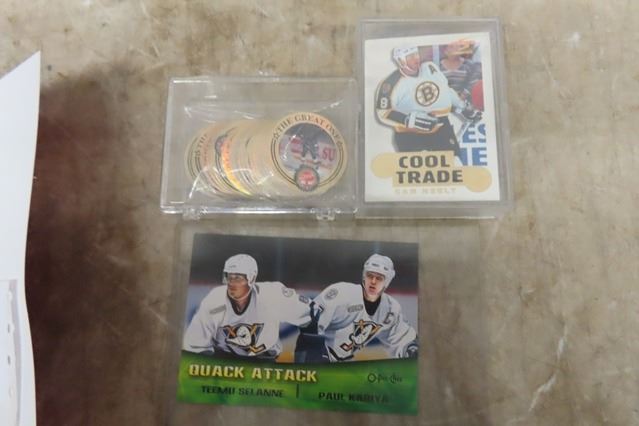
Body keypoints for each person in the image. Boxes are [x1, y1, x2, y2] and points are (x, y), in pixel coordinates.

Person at [183, 254, 311, 360]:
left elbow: (311, 313)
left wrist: (309, 354)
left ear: (252, 278)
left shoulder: (273, 295)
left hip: (264, 361)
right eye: (229, 277)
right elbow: (195, 345)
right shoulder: (214, 300)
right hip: (224, 362)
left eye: (238, 278)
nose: (232, 283)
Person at [295, 254, 418, 362]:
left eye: (379, 278)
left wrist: (411, 349)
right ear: (364, 276)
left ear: (387, 282)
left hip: (343, 365)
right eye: (370, 276)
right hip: (317, 357)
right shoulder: (342, 293)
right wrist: (316, 354)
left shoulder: (390, 309)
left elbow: (403, 340)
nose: (373, 281)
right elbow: (310, 321)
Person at [375, 46, 481, 157]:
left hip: (441, 128)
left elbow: (445, 89)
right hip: (410, 134)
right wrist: (408, 120)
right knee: (420, 167)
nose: (416, 58)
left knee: (454, 163)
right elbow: (383, 112)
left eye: (416, 54)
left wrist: (462, 107)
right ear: (401, 61)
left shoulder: (429, 67)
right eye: (410, 56)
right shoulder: (390, 83)